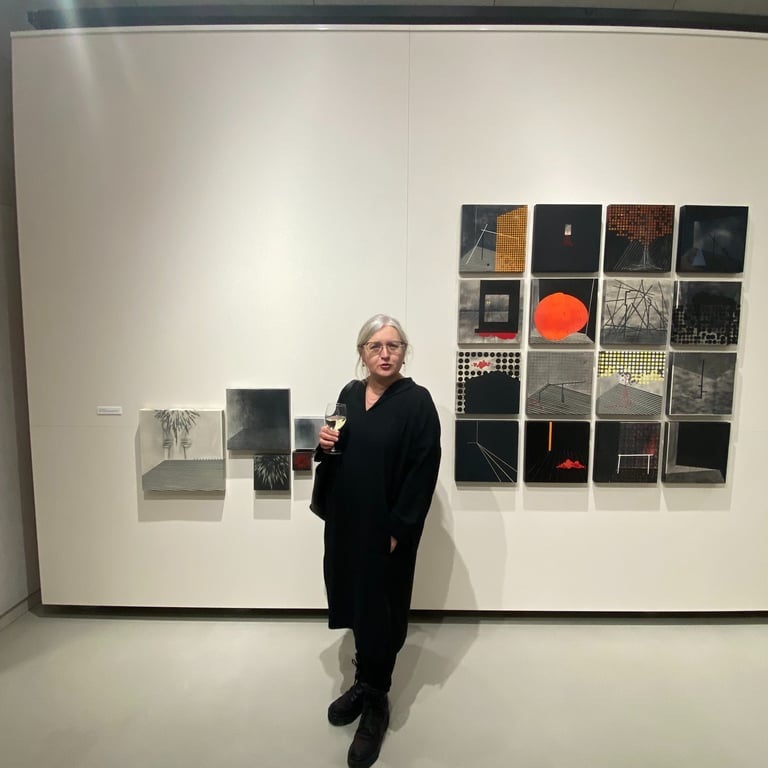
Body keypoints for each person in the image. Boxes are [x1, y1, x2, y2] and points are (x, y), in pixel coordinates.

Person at [315, 313, 441, 768]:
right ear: (362, 352)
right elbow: (336, 448)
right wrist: (325, 444)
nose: (385, 354)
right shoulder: (349, 394)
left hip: (386, 530)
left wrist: (398, 530)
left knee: (382, 612)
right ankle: (363, 681)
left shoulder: (417, 403)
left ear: (404, 352)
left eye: (394, 345)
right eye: (376, 346)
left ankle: (376, 701)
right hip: (347, 524)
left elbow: (423, 471)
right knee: (355, 602)